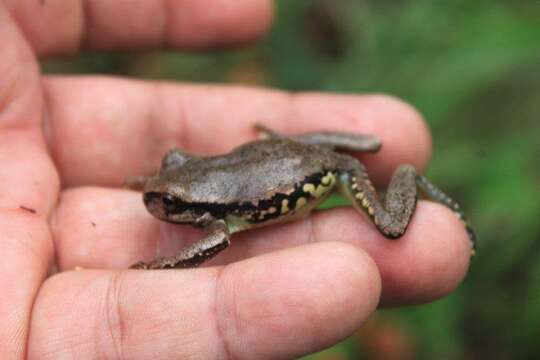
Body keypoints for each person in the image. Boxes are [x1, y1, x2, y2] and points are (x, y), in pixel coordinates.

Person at [0, 2, 471, 358]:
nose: (160, 205)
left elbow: (214, 242)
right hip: (279, 156)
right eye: (165, 196)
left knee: (390, 227)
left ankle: (409, 177)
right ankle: (305, 146)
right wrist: (160, 177)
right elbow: (178, 157)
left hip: (333, 171)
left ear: (196, 209)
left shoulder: (220, 222)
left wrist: (163, 265)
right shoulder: (200, 189)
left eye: (170, 202)